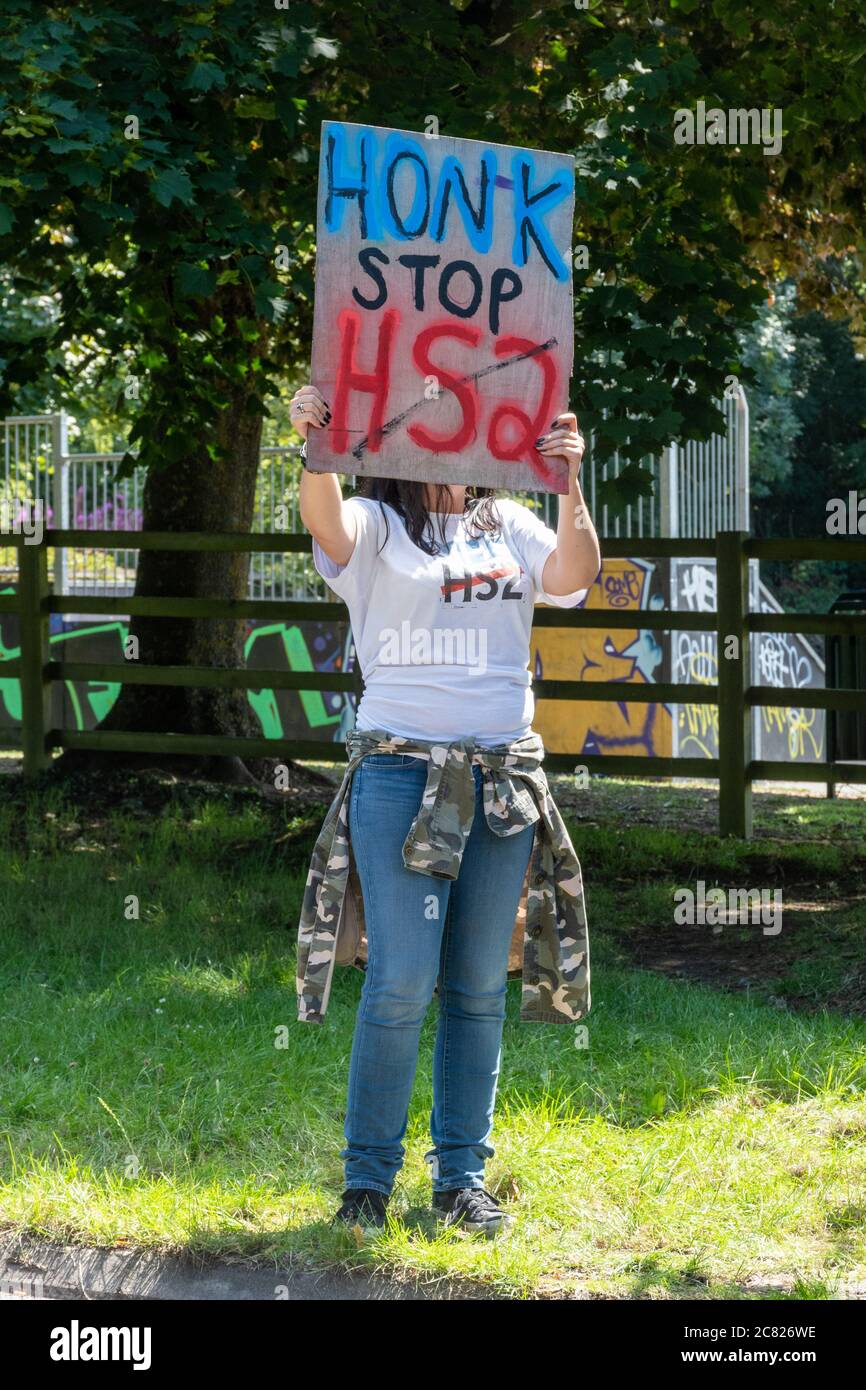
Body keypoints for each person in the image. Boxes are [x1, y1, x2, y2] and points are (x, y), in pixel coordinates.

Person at [291, 381, 601, 1238]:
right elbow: (325, 523)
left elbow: (576, 573)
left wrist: (571, 480)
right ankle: (367, 1185)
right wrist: (313, 443)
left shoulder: (510, 522)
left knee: (474, 987)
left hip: (503, 782)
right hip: (399, 776)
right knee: (400, 979)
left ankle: (461, 1182)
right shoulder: (375, 523)